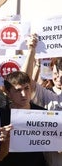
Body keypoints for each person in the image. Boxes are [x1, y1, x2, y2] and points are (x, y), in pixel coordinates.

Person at [21, 34, 62, 166]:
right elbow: (23, 80)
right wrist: (31, 50)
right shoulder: (47, 96)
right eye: (56, 74)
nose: (59, 79)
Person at [0, 71, 47, 166]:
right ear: (8, 93)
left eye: (27, 88)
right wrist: (6, 141)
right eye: (18, 90)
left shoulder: (43, 114)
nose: (24, 94)